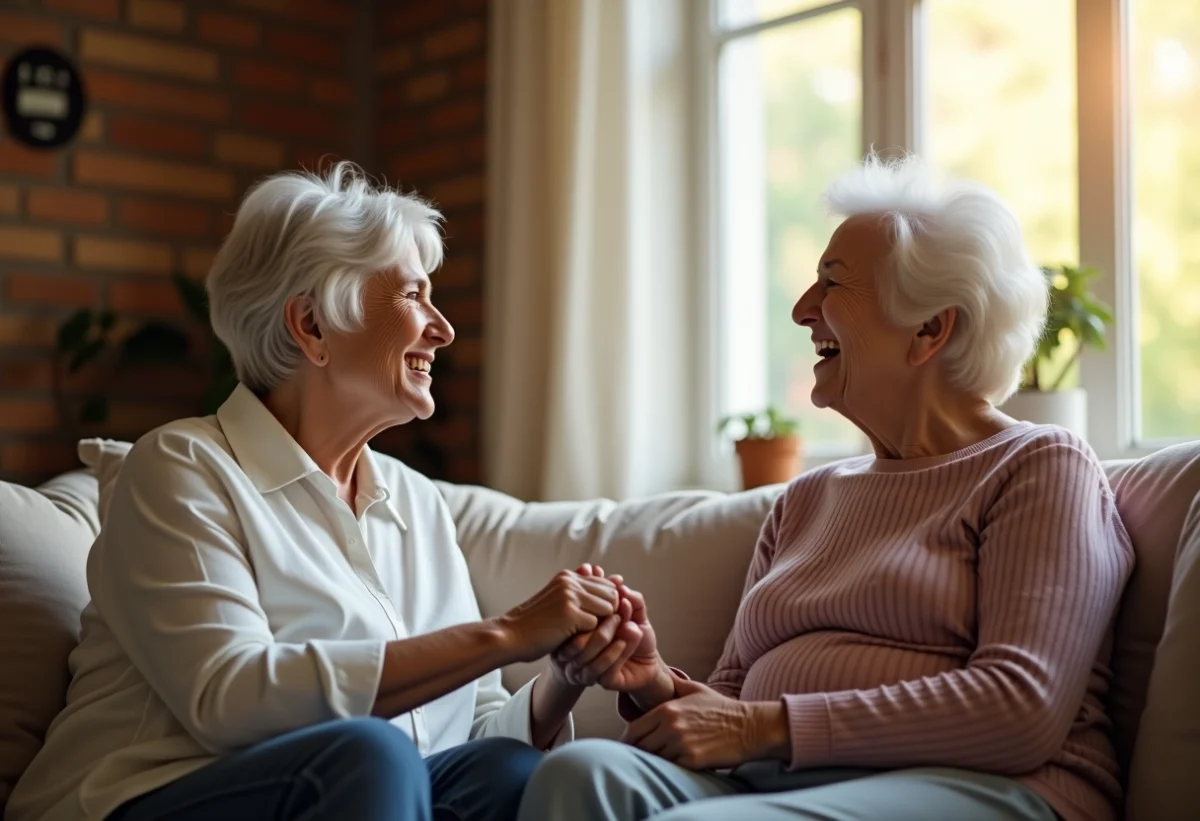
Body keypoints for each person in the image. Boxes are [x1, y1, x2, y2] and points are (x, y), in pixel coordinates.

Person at [6, 163, 645, 821]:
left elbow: (469, 728)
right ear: (312, 325)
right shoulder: (181, 468)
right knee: (371, 756)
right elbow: (231, 696)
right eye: (414, 296)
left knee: (506, 768)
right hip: (143, 799)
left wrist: (560, 680)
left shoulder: (416, 501)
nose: (443, 328)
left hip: (360, 795)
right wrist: (509, 631)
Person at [518, 153, 1136, 821]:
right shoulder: (809, 499)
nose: (801, 309)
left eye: (831, 284)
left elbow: (1022, 707)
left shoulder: (1039, 464)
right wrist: (658, 684)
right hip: (782, 779)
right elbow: (732, 700)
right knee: (580, 772)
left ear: (930, 327)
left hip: (990, 788)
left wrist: (766, 727)